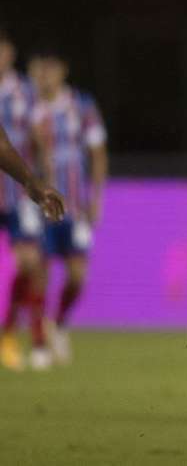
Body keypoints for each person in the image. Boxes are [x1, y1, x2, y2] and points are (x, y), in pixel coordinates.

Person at [27, 50, 106, 369]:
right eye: (42, 69)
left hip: (74, 205)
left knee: (77, 277)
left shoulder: (82, 106)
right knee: (39, 273)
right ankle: (39, 343)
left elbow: (98, 153)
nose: (47, 74)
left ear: (63, 70)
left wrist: (97, 196)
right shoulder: (29, 109)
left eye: (52, 68)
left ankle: (58, 323)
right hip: (39, 207)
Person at [0, 32, 65, 372]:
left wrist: (34, 183)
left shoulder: (23, 91)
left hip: (12, 192)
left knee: (30, 263)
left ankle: (15, 332)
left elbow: (9, 143)